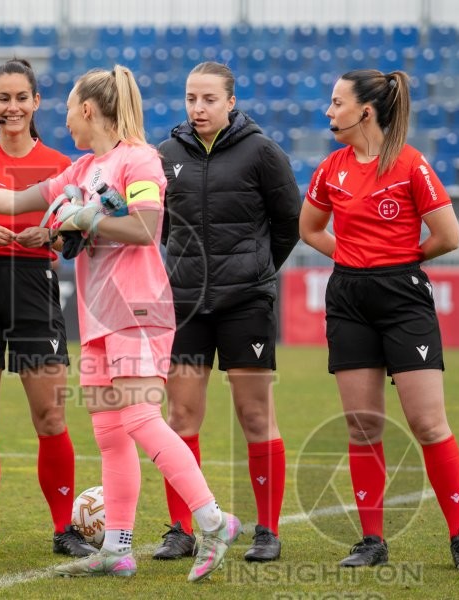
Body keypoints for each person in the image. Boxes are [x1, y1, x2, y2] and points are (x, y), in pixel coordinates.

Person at [0, 64, 241, 582]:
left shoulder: (139, 158)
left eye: (67, 111)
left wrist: (89, 220)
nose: (65, 122)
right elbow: (16, 201)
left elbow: (146, 229)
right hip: (98, 319)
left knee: (142, 421)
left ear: (87, 110)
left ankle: (212, 520)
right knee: (108, 432)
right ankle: (118, 547)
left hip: (139, 312)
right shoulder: (82, 169)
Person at [298, 69, 459, 572]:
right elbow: (308, 228)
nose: (328, 112)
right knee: (363, 427)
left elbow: (448, 236)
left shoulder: (410, 163)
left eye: (336, 103)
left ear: (365, 111)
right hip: (349, 298)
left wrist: (399, 260)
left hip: (403, 296)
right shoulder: (329, 168)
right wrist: (354, 257)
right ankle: (372, 541)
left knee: (427, 422)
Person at [0, 58, 93, 558]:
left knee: (50, 415)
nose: (12, 107)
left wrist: (47, 233)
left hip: (33, 283)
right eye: (3, 98)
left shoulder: (60, 167)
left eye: (21, 97)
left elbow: (78, 234)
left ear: (36, 102)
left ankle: (63, 530)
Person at [154, 61, 300, 562]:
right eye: (192, 98)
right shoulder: (166, 154)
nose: (198, 108)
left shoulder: (262, 152)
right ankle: (180, 529)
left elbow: (289, 223)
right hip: (186, 304)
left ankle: (268, 530)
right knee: (180, 416)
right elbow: (161, 228)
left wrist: (256, 271)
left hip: (246, 304)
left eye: (209, 99)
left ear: (231, 101)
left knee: (255, 414)